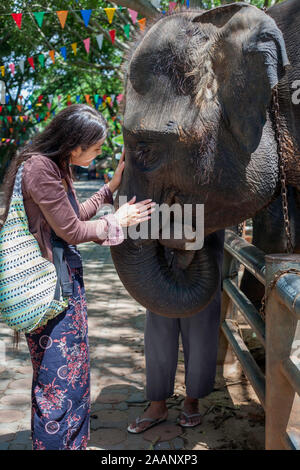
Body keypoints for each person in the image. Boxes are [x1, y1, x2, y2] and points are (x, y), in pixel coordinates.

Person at [2, 104, 156, 450]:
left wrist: (109, 189)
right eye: (97, 148)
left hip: (63, 286)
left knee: (70, 374)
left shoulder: (53, 166)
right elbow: (71, 230)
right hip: (49, 290)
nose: (100, 152)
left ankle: (73, 443)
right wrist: (119, 221)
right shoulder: (40, 169)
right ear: (75, 146)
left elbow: (69, 216)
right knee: (57, 380)